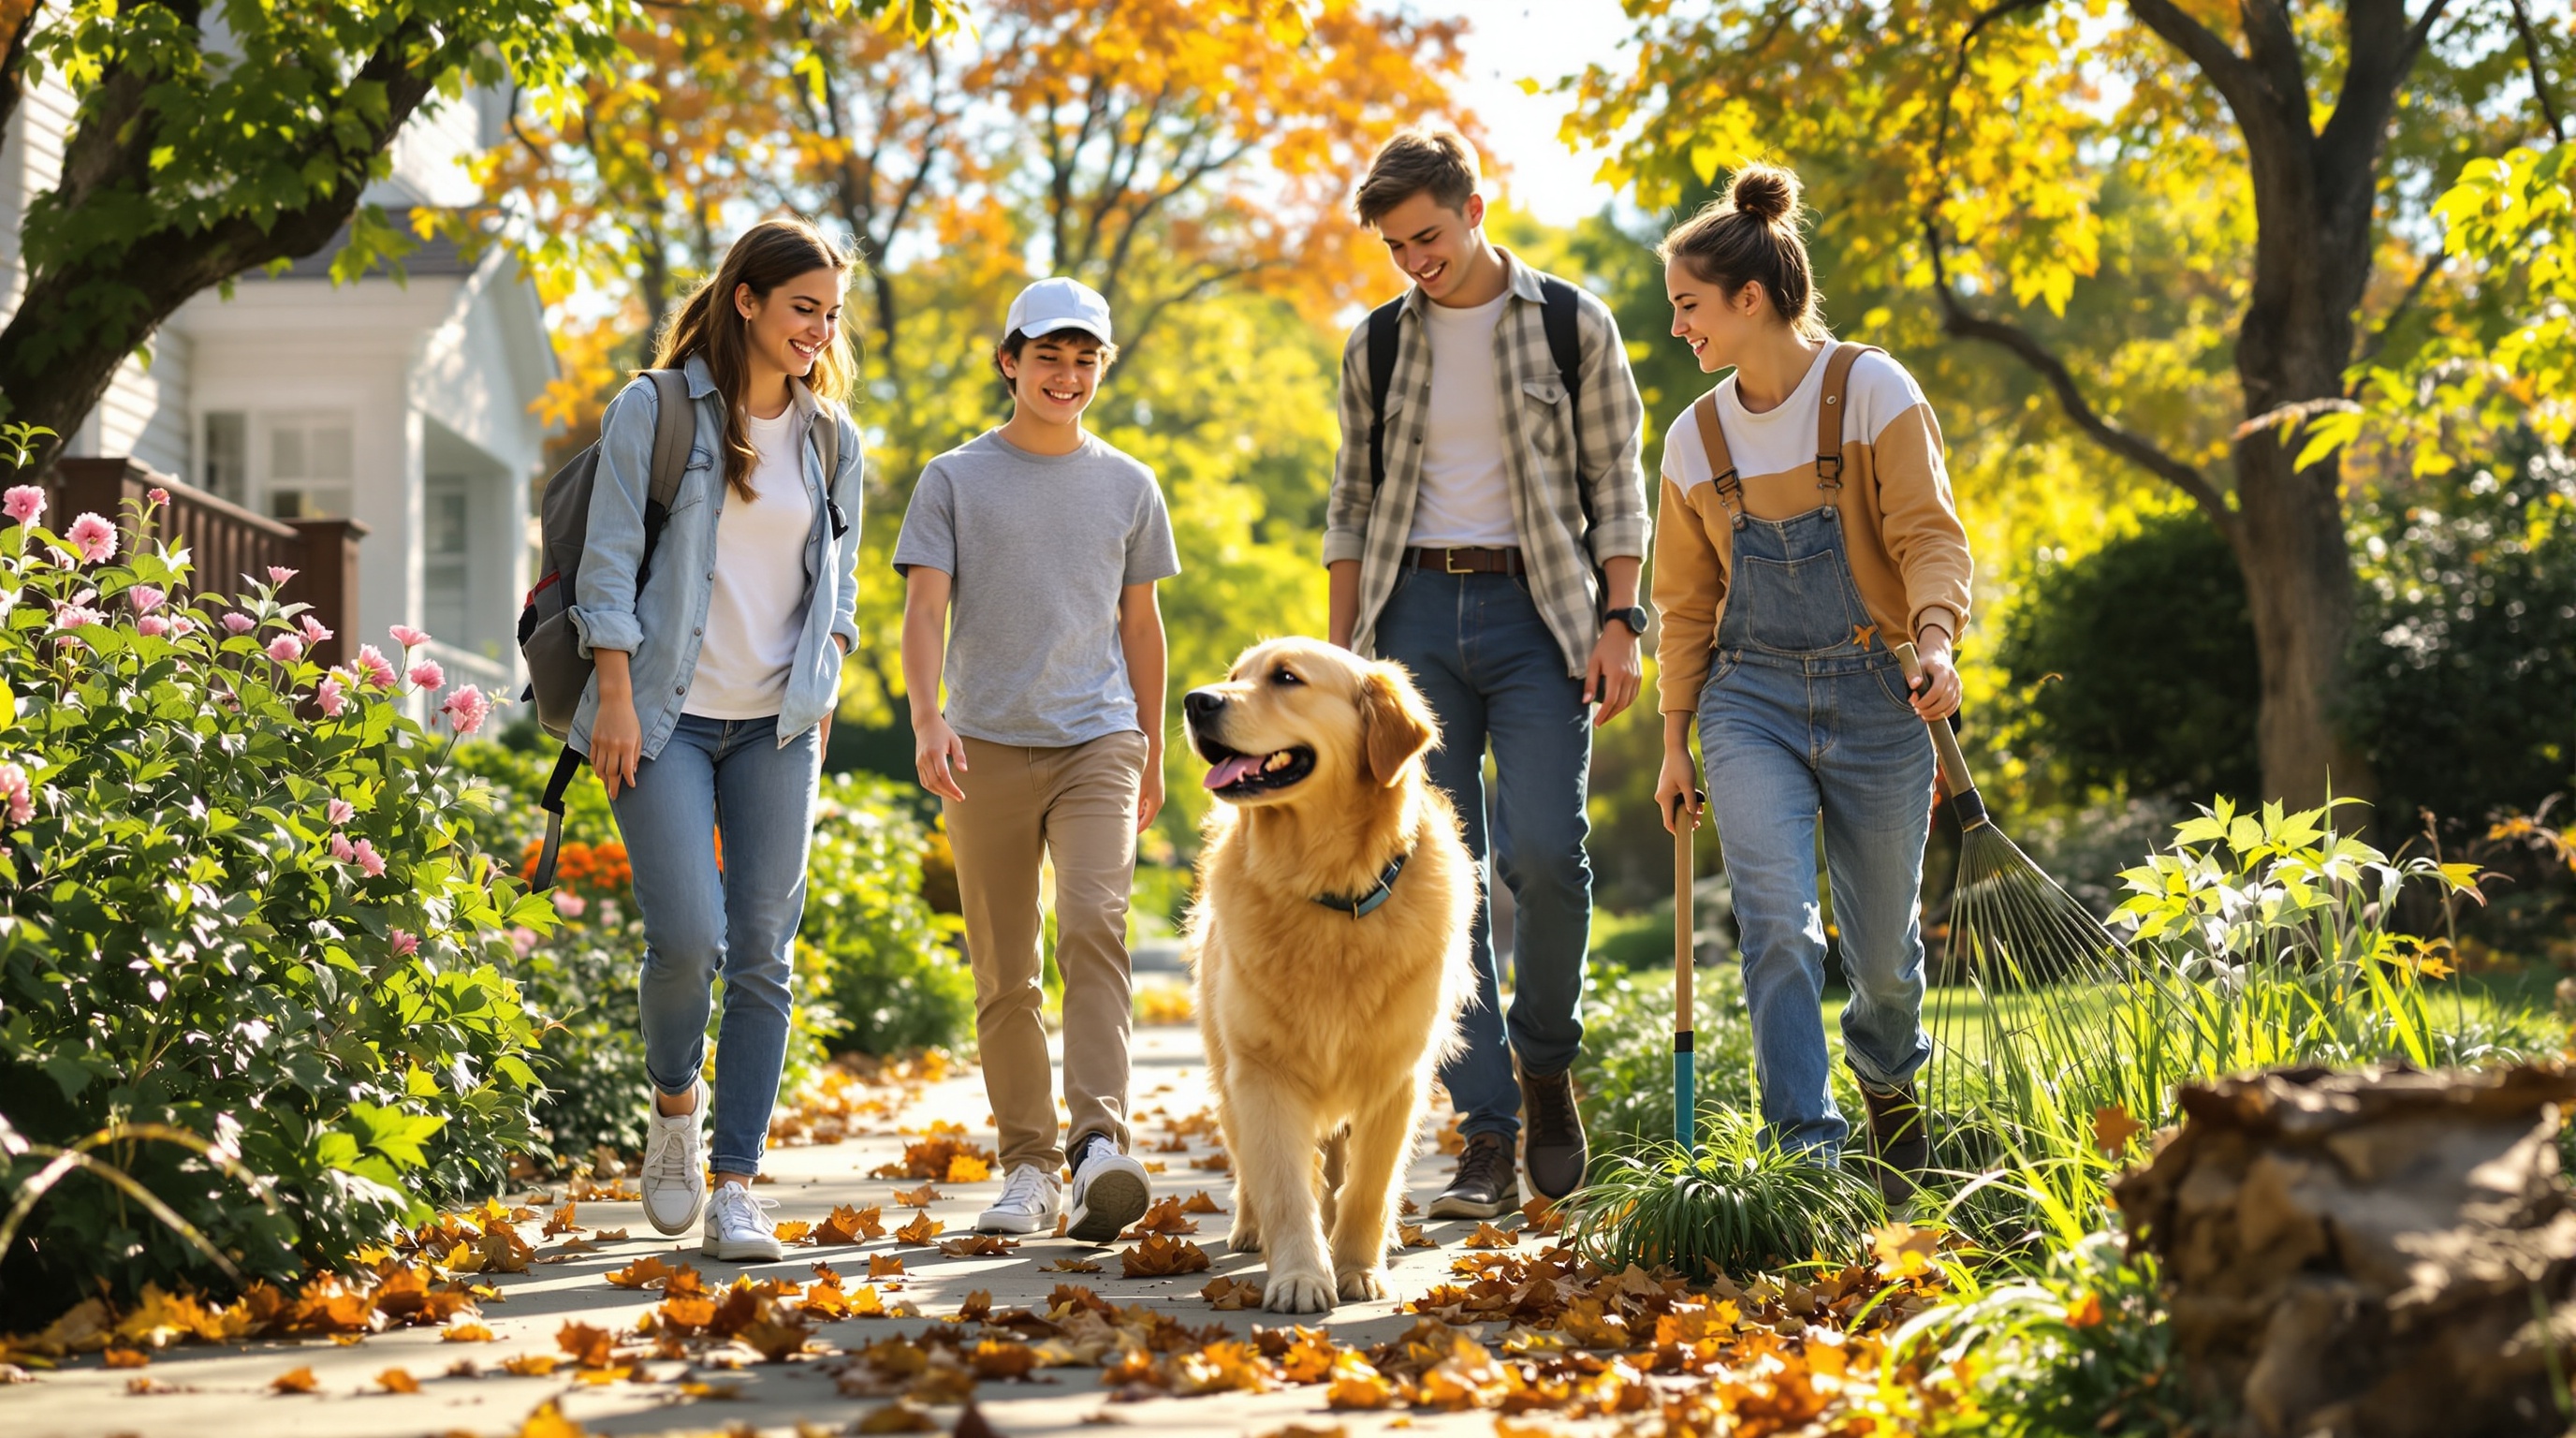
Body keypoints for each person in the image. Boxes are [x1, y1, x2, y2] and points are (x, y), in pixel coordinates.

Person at [1323, 128, 1649, 1216]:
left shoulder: (1569, 325)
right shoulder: (1374, 344)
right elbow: (1351, 508)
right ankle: (1486, 1130)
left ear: (1475, 202)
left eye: (1429, 236)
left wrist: (1622, 619)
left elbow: (1619, 483)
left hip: (1541, 615)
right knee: (1430, 879)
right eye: (1396, 247)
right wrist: (1343, 663)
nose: (1417, 260)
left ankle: (1544, 1064)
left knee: (1546, 854)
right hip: (1409, 615)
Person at [1649, 165, 1971, 1199]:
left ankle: (1891, 1096)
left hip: (1882, 693)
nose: (1678, 330)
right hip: (1751, 704)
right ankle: (1807, 1162)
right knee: (1778, 928)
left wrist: (1934, 641)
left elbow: (1927, 534)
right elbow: (1686, 608)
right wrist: (1672, 740)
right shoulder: (1692, 441)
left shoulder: (1873, 390)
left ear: (1750, 300)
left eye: (1687, 307)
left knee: (1881, 959)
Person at [568, 217, 867, 1261]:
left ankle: (736, 1182)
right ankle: (673, 1106)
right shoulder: (653, 411)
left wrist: (824, 677)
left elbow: (842, 585)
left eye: (830, 315)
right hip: (660, 718)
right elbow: (606, 565)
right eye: (802, 309)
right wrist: (611, 692)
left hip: (779, 727)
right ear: (746, 298)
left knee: (765, 960)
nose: (818, 332)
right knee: (689, 939)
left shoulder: (832, 438)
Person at [896, 276, 1176, 1242]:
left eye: (1084, 359)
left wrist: (1151, 749)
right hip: (985, 745)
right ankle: (1028, 1168)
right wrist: (929, 721)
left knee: (1094, 925)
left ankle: (1100, 1143)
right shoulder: (954, 479)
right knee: (1005, 970)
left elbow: (1142, 625)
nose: (1067, 375)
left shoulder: (1129, 485)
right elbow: (924, 609)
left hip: (1098, 738)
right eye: (1048, 357)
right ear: (1009, 362)